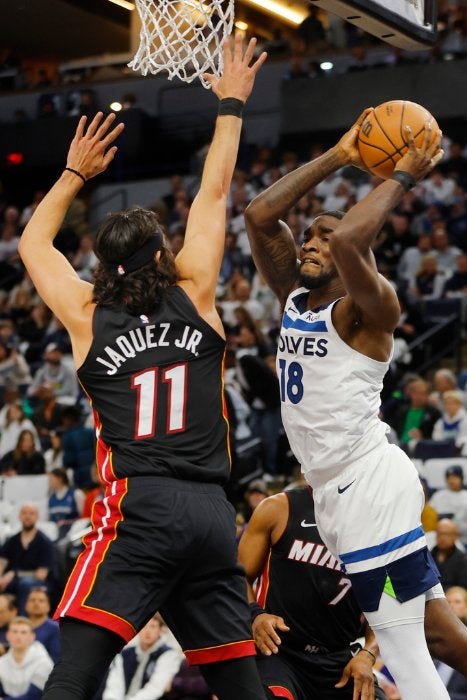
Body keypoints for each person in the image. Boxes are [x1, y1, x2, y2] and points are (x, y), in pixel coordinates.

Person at [18, 34, 268, 700]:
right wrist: (230, 104)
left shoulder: (83, 314)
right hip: (214, 516)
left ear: (104, 266)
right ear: (162, 255)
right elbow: (214, 195)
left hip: (142, 508)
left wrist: (73, 174)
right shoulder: (195, 290)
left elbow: (32, 242)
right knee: (239, 683)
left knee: (76, 666)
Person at [244, 109, 457, 698]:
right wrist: (340, 155)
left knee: (403, 646)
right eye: (307, 234)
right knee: (439, 635)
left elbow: (351, 238)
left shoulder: (370, 311)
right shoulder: (297, 298)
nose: (311, 242)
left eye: (322, 238)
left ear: (353, 261)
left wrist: (403, 175)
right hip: (336, 491)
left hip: (367, 485)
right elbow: (260, 215)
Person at [238, 486, 386, 700]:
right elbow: (237, 575)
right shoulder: (278, 508)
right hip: (280, 650)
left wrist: (368, 654)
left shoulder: (376, 525)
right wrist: (255, 614)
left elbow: (388, 604)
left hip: (339, 658)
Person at [102, 615, 182, 700]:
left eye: (153, 626)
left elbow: (155, 688)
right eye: (144, 626)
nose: (147, 631)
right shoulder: (125, 654)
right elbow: (115, 684)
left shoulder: (168, 654)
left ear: (160, 630)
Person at [0, 503, 55, 614]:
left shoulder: (44, 542)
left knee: (25, 584)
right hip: (13, 582)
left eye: (31, 513)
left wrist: (14, 574)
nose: (27, 516)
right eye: (24, 513)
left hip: (39, 583)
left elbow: (41, 574)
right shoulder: (12, 540)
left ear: (37, 517)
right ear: (19, 516)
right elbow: (2, 562)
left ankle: (22, 621)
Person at [0, 616, 53, 699]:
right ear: (7, 635)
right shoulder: (2, 662)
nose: (18, 636)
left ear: (32, 636)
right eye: (14, 631)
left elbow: (33, 696)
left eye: (23, 632)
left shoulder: (43, 662)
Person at [25, 587, 60, 663]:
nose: (36, 603)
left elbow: (55, 657)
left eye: (41, 601)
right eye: (32, 600)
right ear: (26, 605)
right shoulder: (20, 625)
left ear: (48, 606)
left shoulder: (54, 628)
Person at [431, 519, 467, 590]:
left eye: (446, 534)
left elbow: (463, 589)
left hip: (452, 598)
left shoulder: (463, 560)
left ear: (455, 536)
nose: (442, 538)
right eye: (439, 534)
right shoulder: (429, 557)